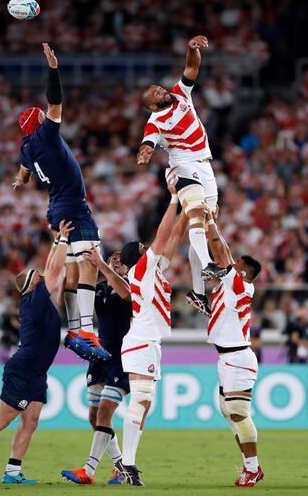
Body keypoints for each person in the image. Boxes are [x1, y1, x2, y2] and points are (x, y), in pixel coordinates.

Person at [0, 222, 72, 485]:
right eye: (36, 274)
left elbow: (52, 268)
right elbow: (54, 269)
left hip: (36, 371)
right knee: (4, 417)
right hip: (24, 368)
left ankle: (13, 472)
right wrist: (63, 239)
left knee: (30, 421)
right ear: (33, 284)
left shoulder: (38, 299)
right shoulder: (35, 298)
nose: (41, 275)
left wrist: (56, 242)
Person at [12, 42, 108, 362]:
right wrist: (53, 68)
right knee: (89, 263)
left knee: (70, 270)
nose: (45, 115)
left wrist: (20, 180)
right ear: (38, 124)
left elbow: (25, 171)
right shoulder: (46, 136)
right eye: (41, 117)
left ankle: (76, 329)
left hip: (55, 208)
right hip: (71, 206)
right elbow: (56, 102)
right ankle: (83, 329)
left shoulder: (28, 148)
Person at [137, 34, 228, 316]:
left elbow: (191, 69)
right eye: (153, 93)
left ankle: (198, 292)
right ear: (151, 106)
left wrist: (191, 48)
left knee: (207, 219)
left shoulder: (179, 93)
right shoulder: (155, 121)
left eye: (157, 87)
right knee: (197, 212)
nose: (159, 90)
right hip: (181, 166)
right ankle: (209, 266)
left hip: (205, 165)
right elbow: (148, 142)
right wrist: (145, 153)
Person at [116, 172, 188, 486]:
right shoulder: (141, 268)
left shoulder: (151, 270)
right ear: (141, 255)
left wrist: (190, 209)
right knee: (141, 399)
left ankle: (125, 461)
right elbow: (162, 236)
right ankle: (127, 465)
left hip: (147, 340)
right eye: (146, 249)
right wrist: (173, 198)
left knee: (146, 405)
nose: (152, 250)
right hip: (141, 339)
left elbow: (173, 240)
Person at [61, 249, 132, 485]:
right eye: (112, 258)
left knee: (104, 412)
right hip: (99, 353)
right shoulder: (100, 288)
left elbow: (126, 294)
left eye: (120, 260)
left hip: (122, 355)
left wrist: (102, 264)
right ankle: (121, 467)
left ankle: (88, 471)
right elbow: (76, 298)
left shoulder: (133, 285)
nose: (115, 261)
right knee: (94, 415)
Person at [203, 213, 264, 487]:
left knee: (238, 411)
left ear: (240, 272)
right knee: (227, 411)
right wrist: (205, 307)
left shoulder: (239, 284)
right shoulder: (229, 289)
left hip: (238, 357)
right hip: (227, 357)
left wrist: (208, 223)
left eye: (235, 264)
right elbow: (224, 316)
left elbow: (220, 249)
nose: (229, 265)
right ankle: (250, 465)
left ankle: (252, 468)